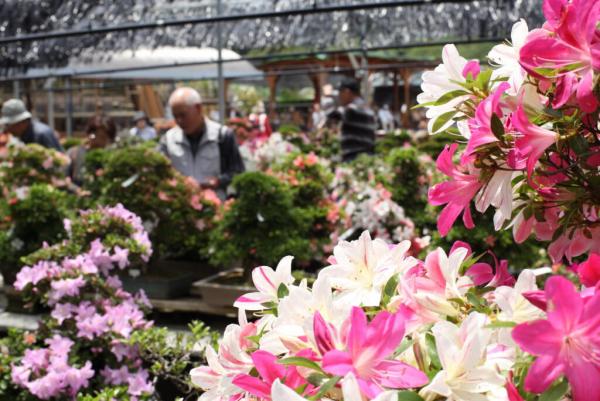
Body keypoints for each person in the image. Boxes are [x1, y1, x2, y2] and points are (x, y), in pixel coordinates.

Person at [160, 87, 245, 200]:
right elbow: (160, 172)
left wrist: (219, 181)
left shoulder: (222, 136)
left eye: (183, 115)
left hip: (215, 208)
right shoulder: (168, 139)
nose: (179, 121)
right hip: (180, 207)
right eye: (175, 116)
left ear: (198, 108)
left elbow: (237, 171)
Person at [67, 115, 116, 186]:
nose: (102, 141)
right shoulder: (74, 153)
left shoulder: (111, 157)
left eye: (105, 138)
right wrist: (76, 190)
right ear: (90, 134)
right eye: (100, 136)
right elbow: (64, 179)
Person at [337, 77, 376, 162]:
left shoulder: (353, 109)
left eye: (340, 92)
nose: (339, 96)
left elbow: (331, 115)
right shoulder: (366, 108)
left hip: (354, 158)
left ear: (347, 92)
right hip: (366, 157)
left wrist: (327, 97)